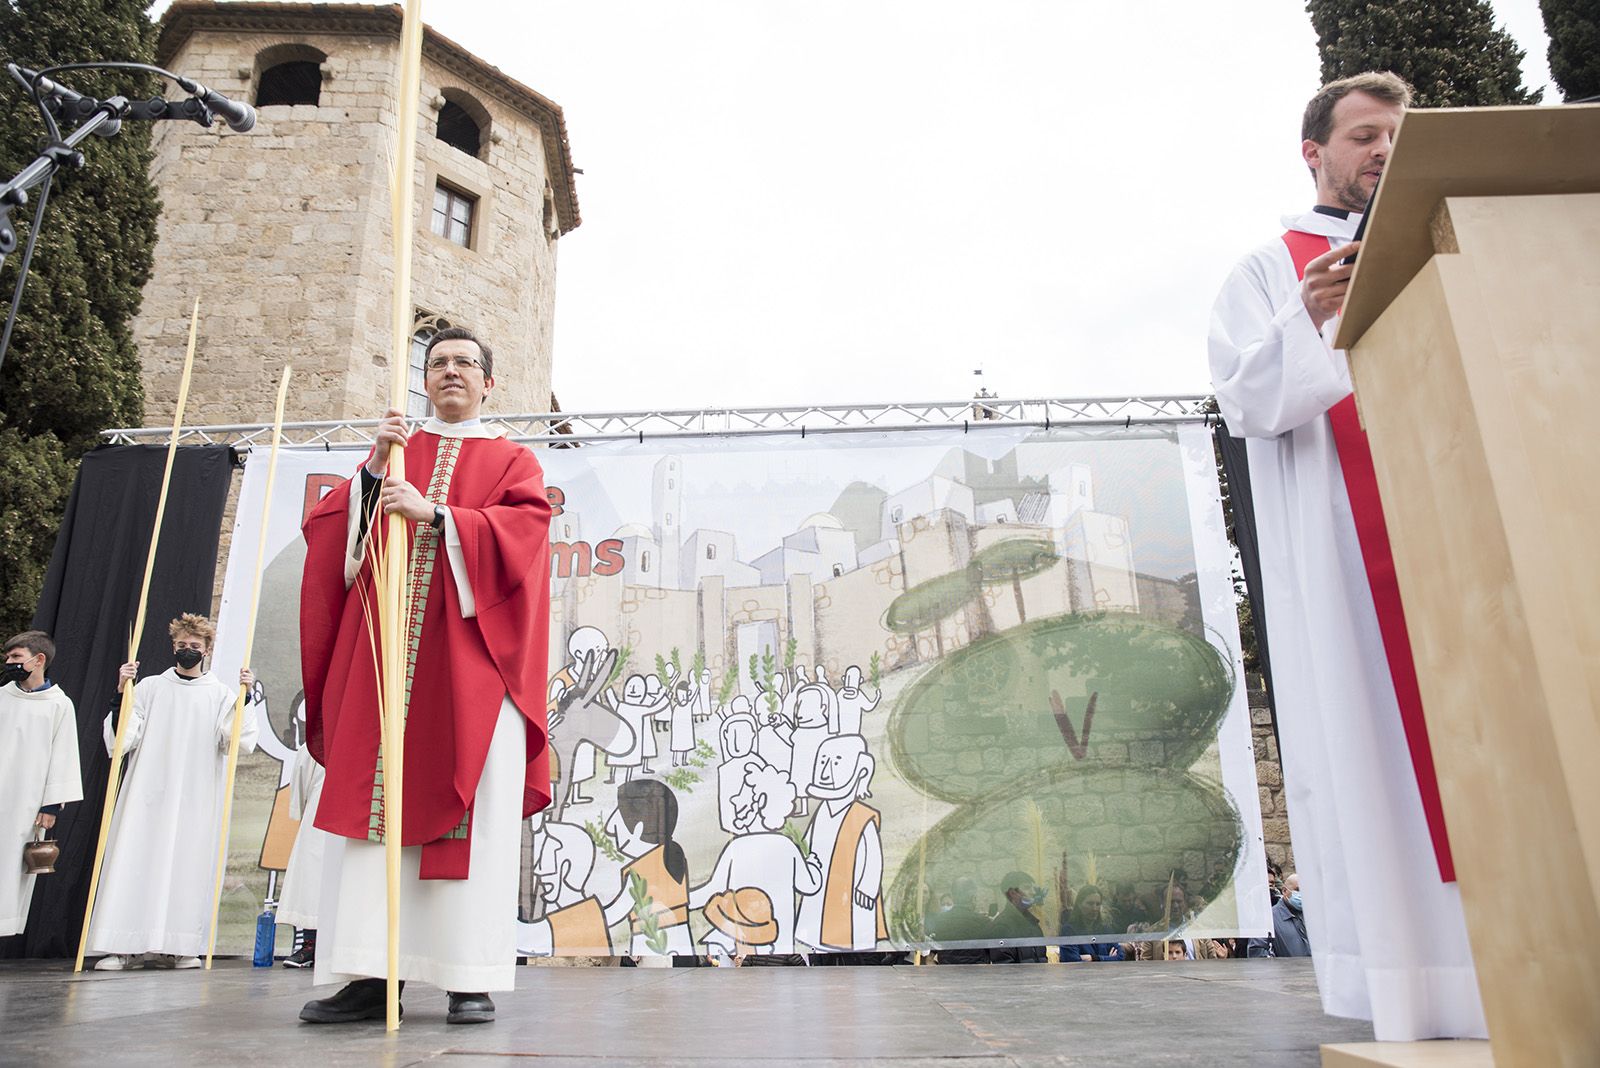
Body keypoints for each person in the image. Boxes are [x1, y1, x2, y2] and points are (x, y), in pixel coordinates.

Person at [1209, 71, 1485, 1041]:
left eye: (1395, 135)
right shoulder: (1265, 270)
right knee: (1378, 755)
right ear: (1314, 153)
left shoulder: (1451, 244)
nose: (1381, 150)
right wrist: (1308, 321)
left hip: (1465, 541)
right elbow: (1246, 403)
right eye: (1362, 135)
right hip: (1350, 567)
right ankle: (1415, 988)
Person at [298, 327, 553, 1025]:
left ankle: (467, 975)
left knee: (472, 816)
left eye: (464, 364)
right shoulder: (395, 453)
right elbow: (335, 545)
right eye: (437, 363)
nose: (449, 373)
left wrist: (439, 514)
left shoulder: (511, 459)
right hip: (385, 665)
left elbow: (525, 538)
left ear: (488, 383)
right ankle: (368, 975)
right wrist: (378, 473)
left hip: (471, 670)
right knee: (372, 811)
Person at [87, 615, 258, 970]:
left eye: (195, 647)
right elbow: (122, 739)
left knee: (186, 865)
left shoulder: (219, 694)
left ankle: (178, 945)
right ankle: (122, 945)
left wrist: (245, 697)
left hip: (194, 797)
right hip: (147, 794)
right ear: (173, 647)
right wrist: (122, 692)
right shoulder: (150, 687)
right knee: (135, 861)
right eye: (182, 646)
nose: (188, 651)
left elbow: (236, 740)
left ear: (208, 650)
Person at [1, 632, 81, 938]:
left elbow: (63, 756)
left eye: (16, 657)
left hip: (26, 804)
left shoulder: (58, 705)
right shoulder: (1, 697)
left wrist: (50, 806)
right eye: (8, 657)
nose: (9, 663)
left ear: (39, 660)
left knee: (10, 870)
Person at [1248, 873, 1311, 959]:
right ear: (1284, 891)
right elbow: (1259, 955)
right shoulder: (1267, 919)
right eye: (1298, 890)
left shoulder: (1311, 916)